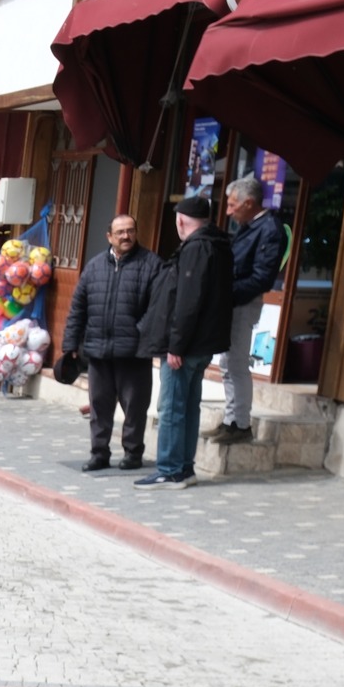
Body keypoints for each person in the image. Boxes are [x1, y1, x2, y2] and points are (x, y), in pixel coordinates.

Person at [136, 195, 234, 490]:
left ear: (180, 220)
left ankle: (169, 469)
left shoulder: (196, 248)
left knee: (172, 408)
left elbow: (188, 301)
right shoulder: (219, 245)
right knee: (189, 406)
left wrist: (176, 345)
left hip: (186, 345)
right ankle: (185, 467)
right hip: (203, 343)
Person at [61, 213, 163, 472]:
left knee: (135, 408)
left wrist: (138, 333)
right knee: (100, 407)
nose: (126, 236)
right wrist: (70, 344)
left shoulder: (151, 264)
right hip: (98, 351)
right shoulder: (94, 266)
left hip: (134, 352)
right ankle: (99, 453)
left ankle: (132, 453)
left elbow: (158, 308)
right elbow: (78, 308)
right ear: (109, 236)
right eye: (120, 232)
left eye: (130, 230)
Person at [215, 174, 286, 444]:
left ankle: (241, 424)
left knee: (236, 363)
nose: (229, 211)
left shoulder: (269, 229)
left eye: (233, 205)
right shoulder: (249, 225)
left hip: (243, 301)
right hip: (235, 299)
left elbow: (262, 278)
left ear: (249, 203)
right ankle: (230, 419)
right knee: (226, 362)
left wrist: (228, 295)